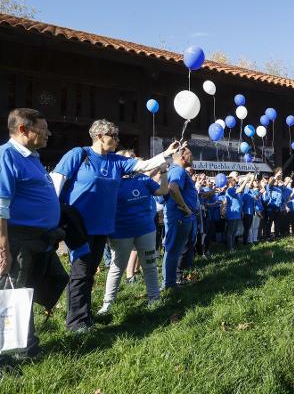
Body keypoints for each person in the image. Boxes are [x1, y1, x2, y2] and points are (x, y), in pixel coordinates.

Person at [51, 119, 181, 332]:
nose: (118, 140)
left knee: (90, 272)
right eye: (114, 136)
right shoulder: (79, 154)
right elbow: (57, 182)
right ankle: (76, 323)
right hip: (78, 226)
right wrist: (54, 217)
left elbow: (144, 165)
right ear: (101, 136)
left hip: (102, 228)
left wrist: (166, 153)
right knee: (80, 273)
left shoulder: (116, 161)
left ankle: (85, 316)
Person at [0, 108, 64, 360]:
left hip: (37, 239)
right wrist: (3, 247)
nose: (49, 133)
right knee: (12, 293)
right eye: (43, 128)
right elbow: (1, 205)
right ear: (23, 129)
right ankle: (10, 355)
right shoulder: (7, 156)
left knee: (24, 293)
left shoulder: (32, 157)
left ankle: (27, 345)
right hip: (17, 239)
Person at [98, 151, 169, 314]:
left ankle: (154, 298)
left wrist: (164, 172)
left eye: (133, 157)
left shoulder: (143, 179)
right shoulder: (112, 182)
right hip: (121, 232)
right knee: (117, 268)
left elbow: (163, 191)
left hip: (146, 230)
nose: (133, 160)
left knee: (150, 266)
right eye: (128, 158)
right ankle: (107, 303)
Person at [160, 146, 195, 290]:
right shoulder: (178, 170)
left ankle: (170, 283)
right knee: (173, 250)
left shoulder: (175, 170)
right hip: (179, 216)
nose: (192, 158)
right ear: (182, 157)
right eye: (190, 154)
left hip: (178, 216)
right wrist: (185, 208)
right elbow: (173, 188)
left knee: (174, 249)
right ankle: (169, 285)